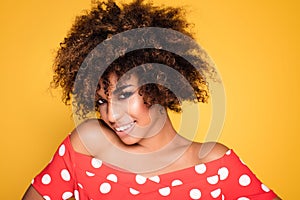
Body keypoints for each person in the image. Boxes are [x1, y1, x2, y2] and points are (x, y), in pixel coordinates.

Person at [22, 0, 281, 199]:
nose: (111, 115)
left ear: (158, 83)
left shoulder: (213, 162)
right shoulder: (88, 143)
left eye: (124, 95)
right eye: (101, 101)